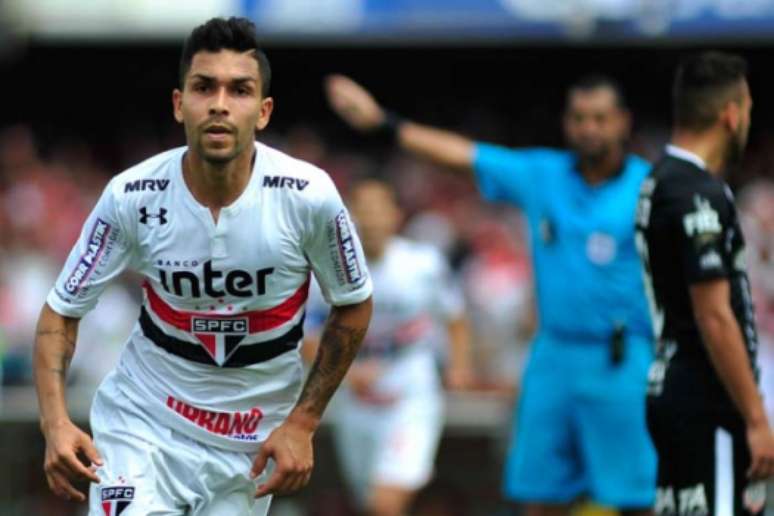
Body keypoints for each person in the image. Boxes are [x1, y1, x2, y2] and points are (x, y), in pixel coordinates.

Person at [33, 17, 373, 516]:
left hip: (248, 443)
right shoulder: (131, 195)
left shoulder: (309, 196)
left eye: (239, 90)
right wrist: (55, 422)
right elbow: (61, 310)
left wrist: (302, 423)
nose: (219, 103)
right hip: (143, 422)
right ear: (179, 104)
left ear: (263, 111)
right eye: (203, 87)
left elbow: (354, 304)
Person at [325, 74, 656, 515]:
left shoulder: (651, 187)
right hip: (554, 354)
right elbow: (465, 157)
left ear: (622, 122)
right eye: (579, 118)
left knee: (632, 495)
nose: (589, 129)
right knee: (538, 492)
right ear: (566, 123)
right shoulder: (545, 175)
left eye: (600, 118)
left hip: (621, 356)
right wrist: (385, 123)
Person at [636, 51, 774, 515]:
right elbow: (714, 314)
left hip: (674, 386)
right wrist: (756, 419)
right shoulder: (698, 192)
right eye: (749, 109)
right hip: (706, 397)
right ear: (730, 115)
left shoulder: (658, 180)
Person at [303, 178, 473, 516]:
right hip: (354, 397)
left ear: (396, 215)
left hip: (410, 390)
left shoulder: (422, 264)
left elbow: (455, 317)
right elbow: (303, 337)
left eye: (379, 209)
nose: (370, 219)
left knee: (385, 502)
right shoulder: (325, 270)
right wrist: (348, 373)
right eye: (361, 210)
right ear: (347, 217)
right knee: (369, 502)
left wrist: (459, 366)